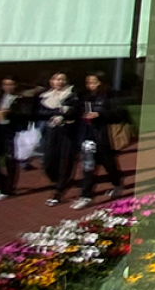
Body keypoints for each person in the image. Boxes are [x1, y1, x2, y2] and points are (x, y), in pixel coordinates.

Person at [73, 72, 125, 209]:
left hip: (103, 136)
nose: (91, 85)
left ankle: (117, 183)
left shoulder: (110, 96)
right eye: (88, 82)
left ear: (101, 82)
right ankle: (86, 196)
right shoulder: (84, 97)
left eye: (94, 82)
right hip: (88, 135)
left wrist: (99, 114)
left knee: (109, 164)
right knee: (88, 166)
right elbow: (76, 112)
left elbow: (119, 114)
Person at [39, 73, 80, 206]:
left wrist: (64, 116)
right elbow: (39, 113)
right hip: (51, 131)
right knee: (48, 161)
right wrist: (58, 111)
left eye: (62, 79)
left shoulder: (72, 95)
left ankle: (58, 192)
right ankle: (58, 181)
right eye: (56, 79)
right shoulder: (44, 97)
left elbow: (75, 111)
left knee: (65, 161)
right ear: (51, 81)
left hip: (67, 132)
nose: (59, 82)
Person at [0, 76, 19, 200]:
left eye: (11, 84)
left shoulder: (19, 99)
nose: (8, 87)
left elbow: (22, 114)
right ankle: (0, 182)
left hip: (11, 132)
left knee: (10, 160)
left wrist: (9, 113)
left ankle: (8, 189)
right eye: (5, 84)